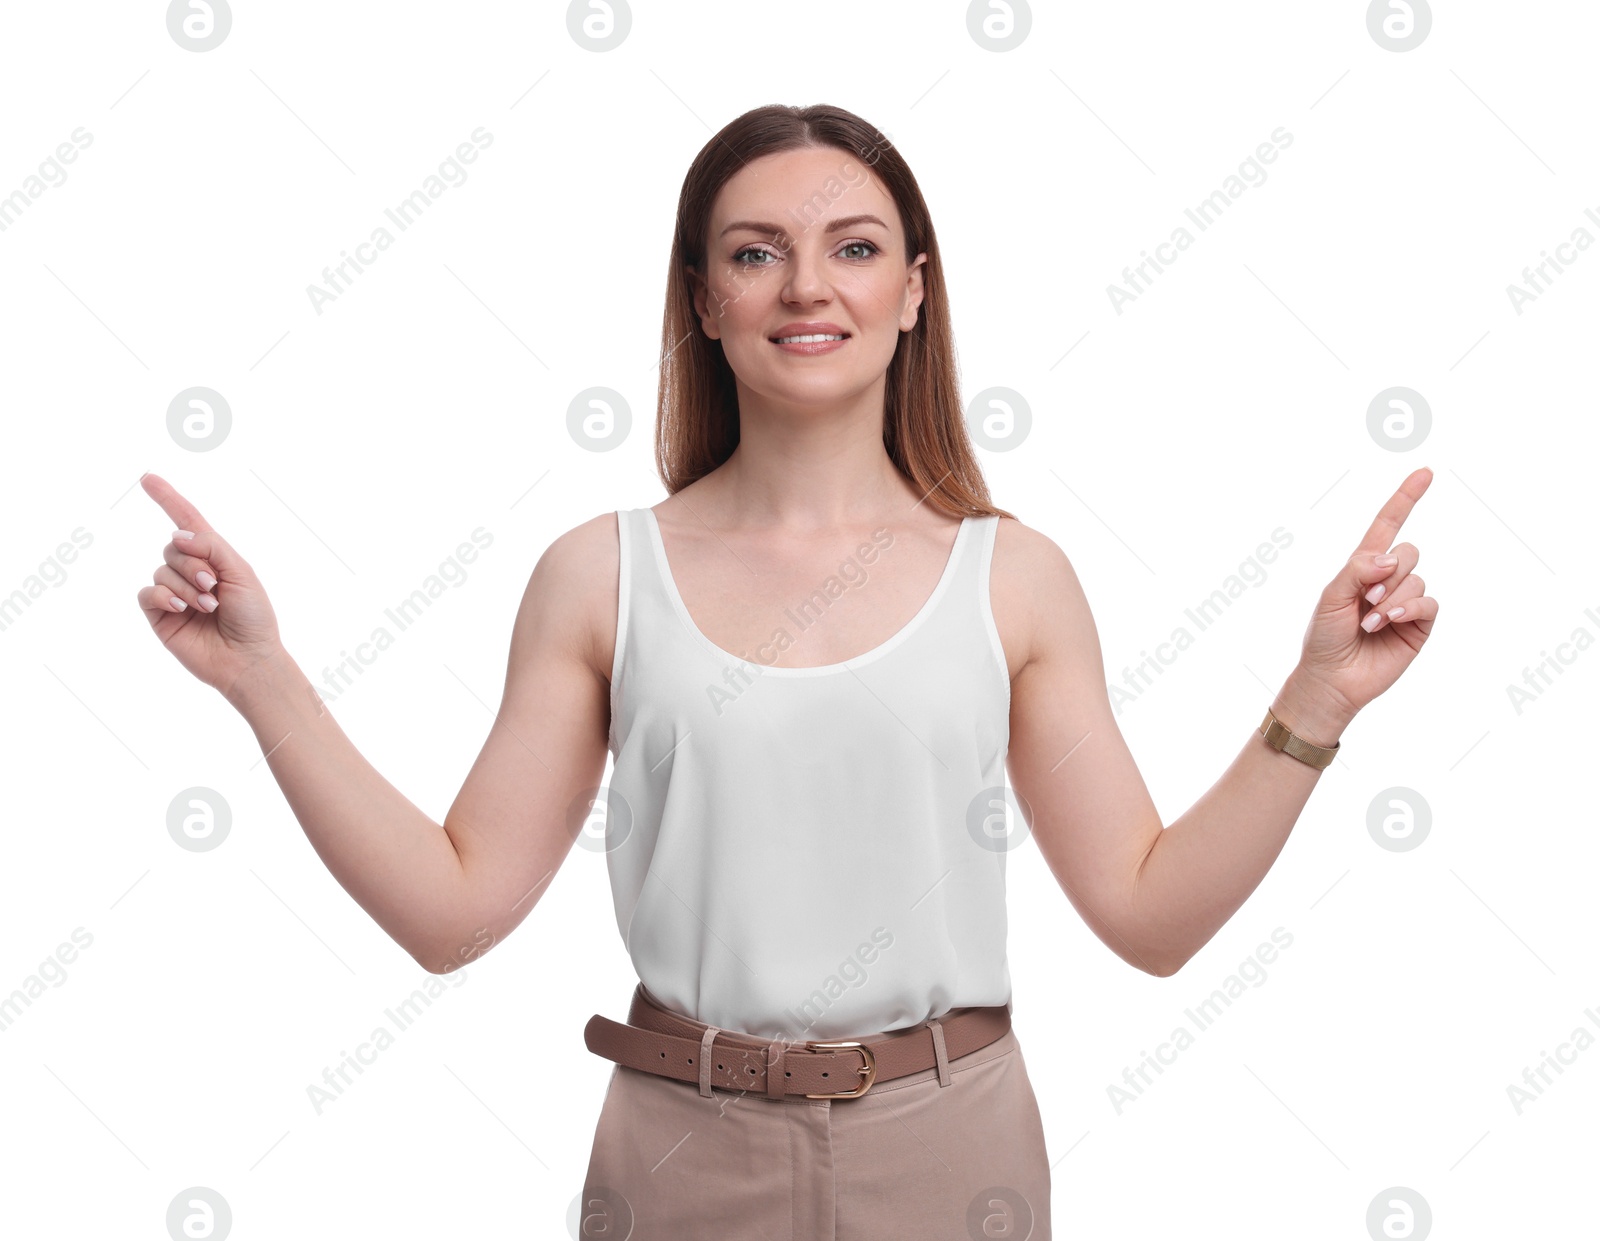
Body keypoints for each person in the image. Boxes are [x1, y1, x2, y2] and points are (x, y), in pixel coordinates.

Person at [137, 102, 1439, 1240]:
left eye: (854, 249)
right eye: (757, 254)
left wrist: (1316, 698)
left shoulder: (1016, 578)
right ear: (705, 300)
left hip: (953, 1154)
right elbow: (452, 910)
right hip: (677, 1155)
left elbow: (1150, 918)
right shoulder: (598, 576)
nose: (807, 287)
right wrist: (263, 677)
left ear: (915, 288)